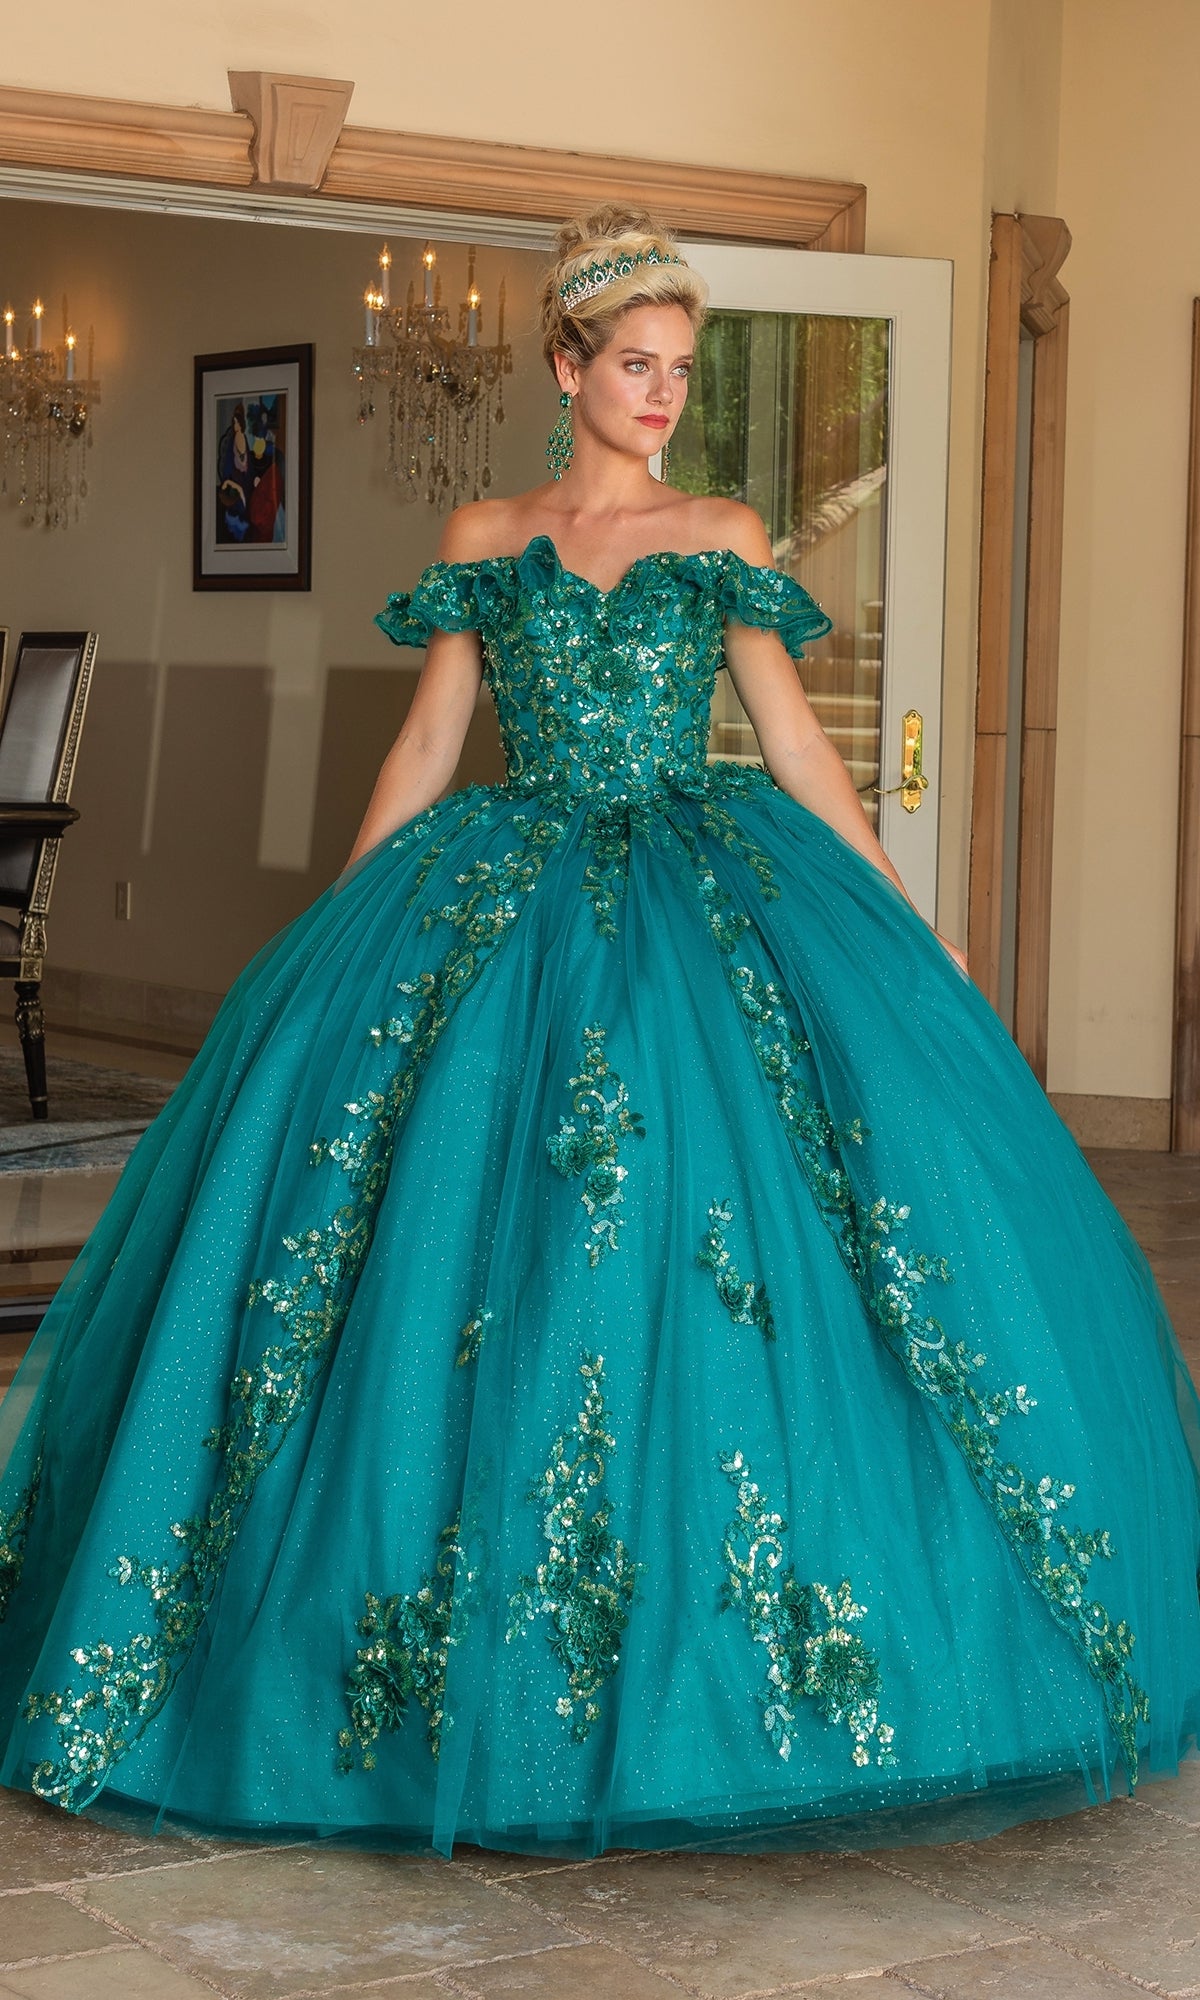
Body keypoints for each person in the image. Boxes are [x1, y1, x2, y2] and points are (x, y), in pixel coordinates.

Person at [0, 207, 1197, 1863]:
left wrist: (910, 927)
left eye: (681, 373)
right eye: (634, 366)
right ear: (564, 368)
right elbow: (430, 750)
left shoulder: (719, 530)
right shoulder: (487, 533)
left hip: (702, 907)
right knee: (451, 1255)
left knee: (703, 1234)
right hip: (505, 892)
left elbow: (794, 751)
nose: (661, 397)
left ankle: (708, 1690)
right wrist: (333, 941)